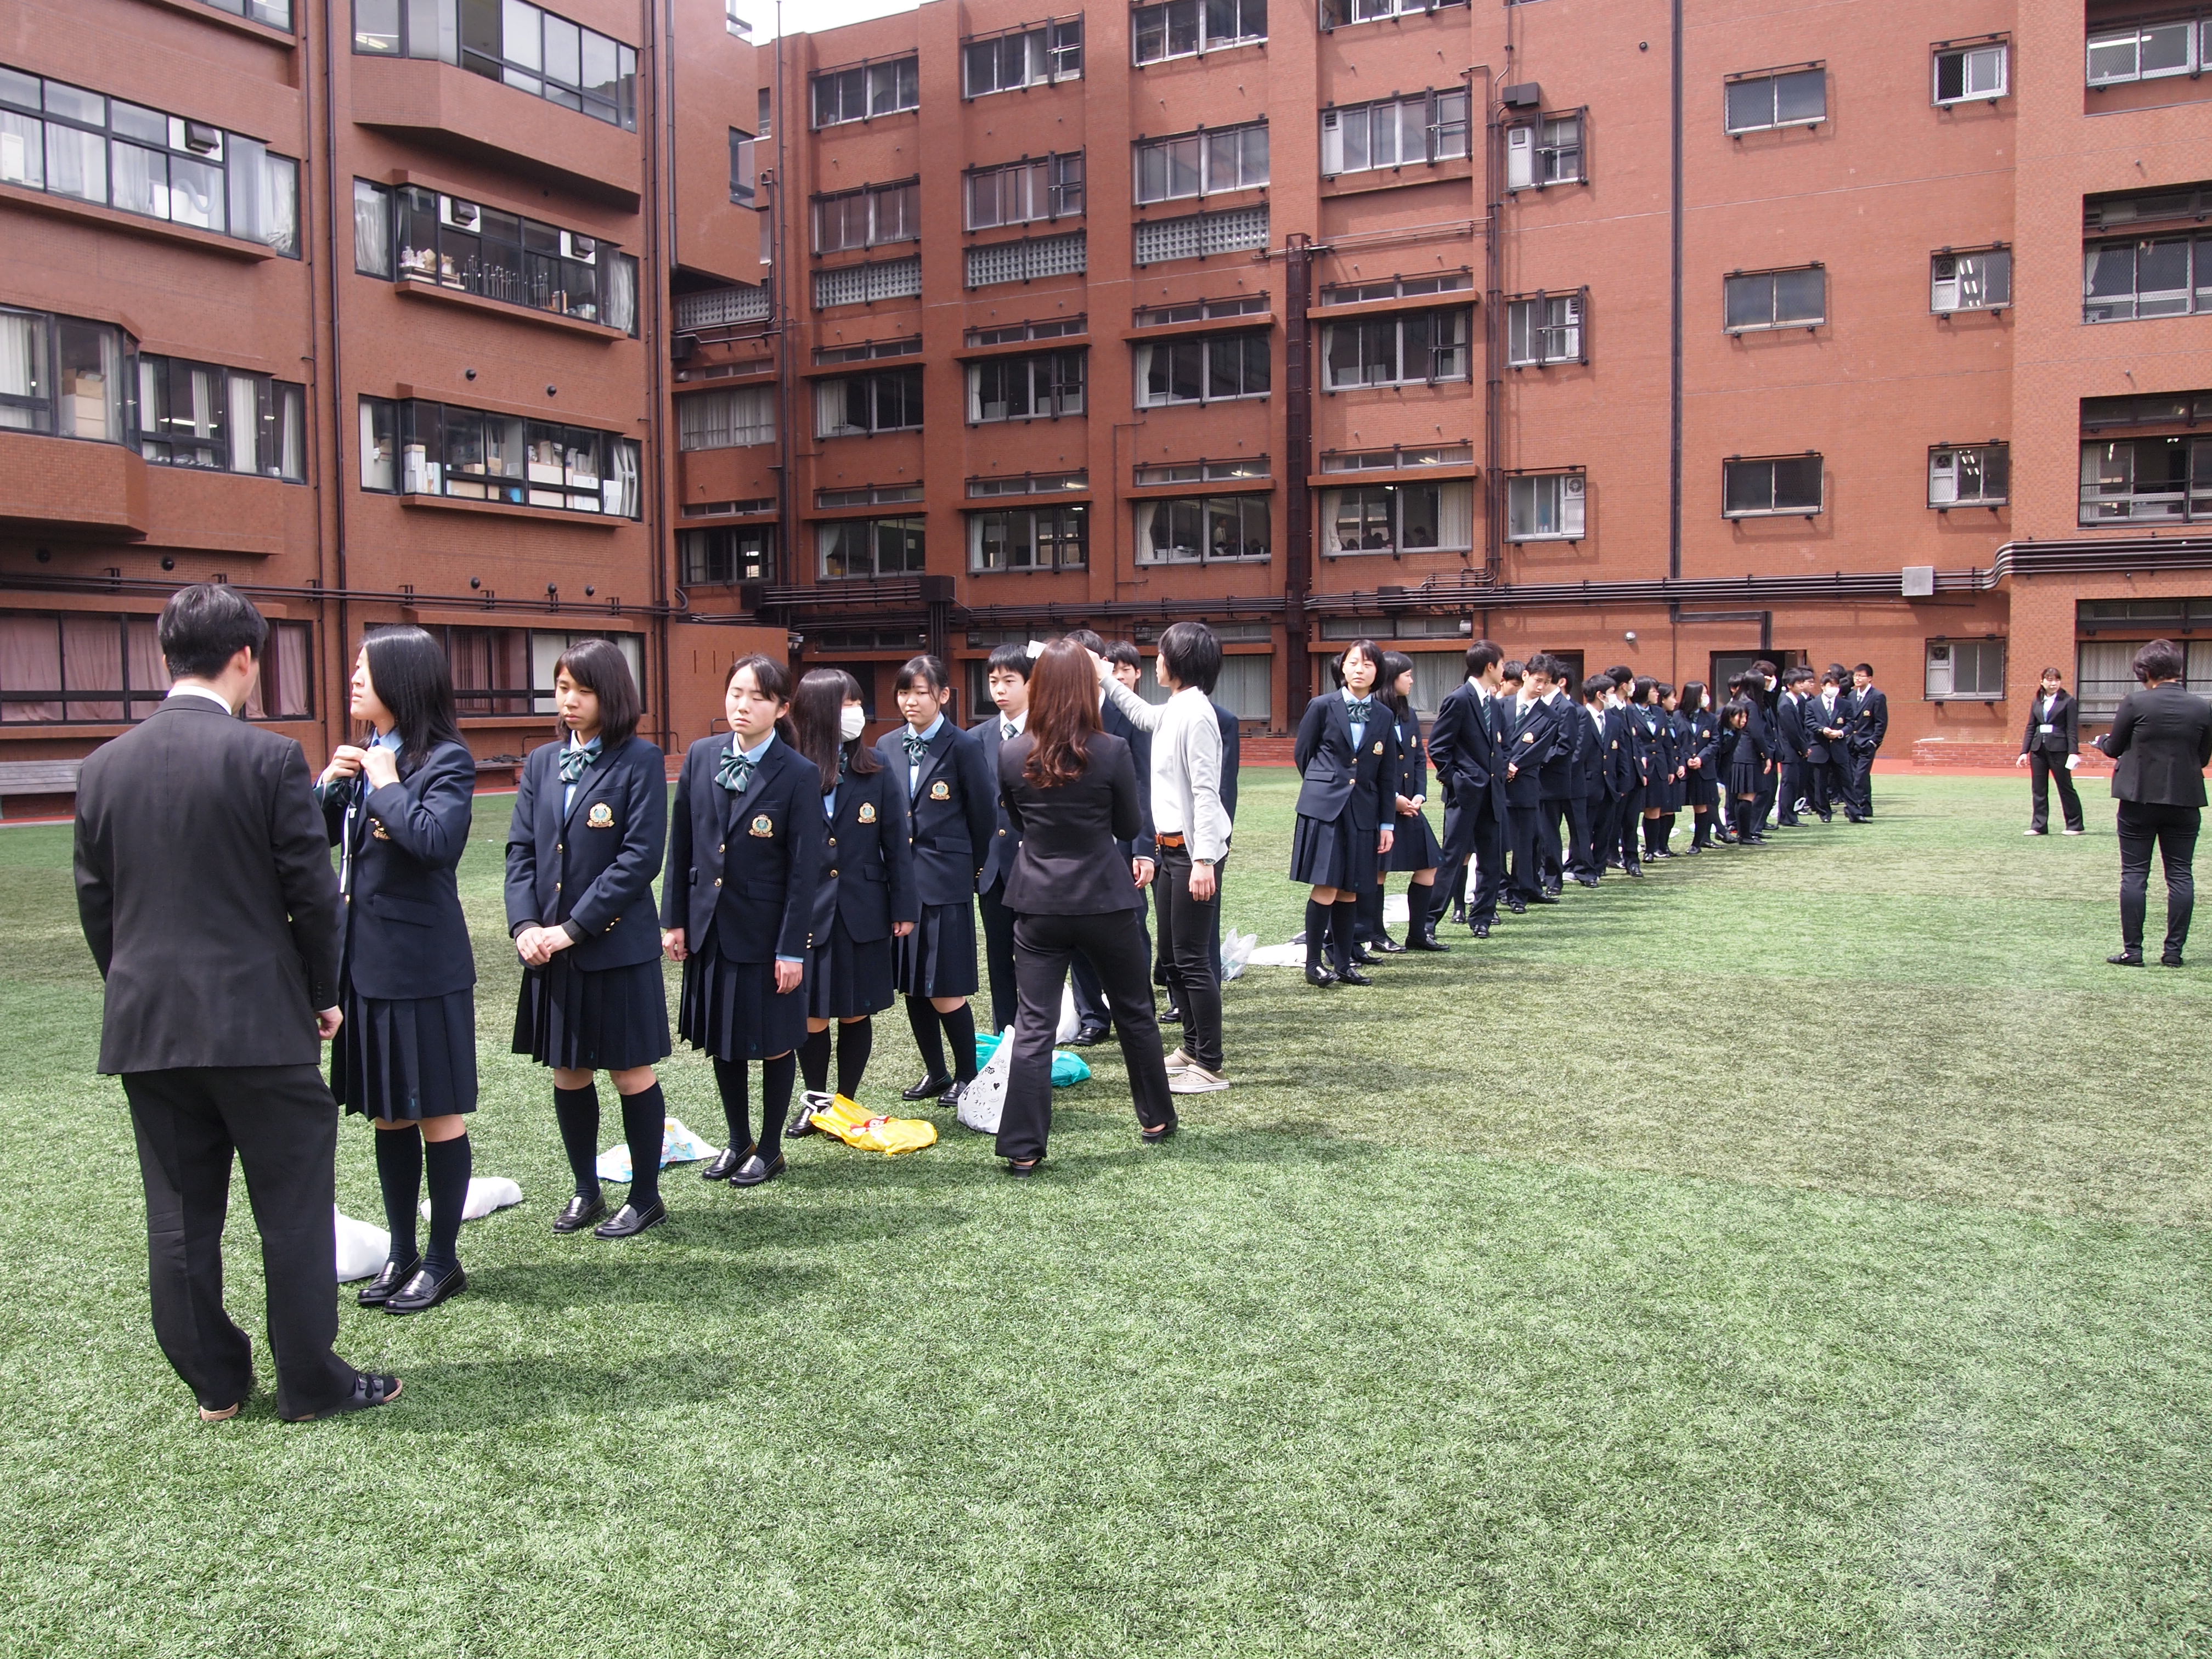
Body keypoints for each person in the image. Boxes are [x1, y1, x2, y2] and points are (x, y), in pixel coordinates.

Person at [74, 583, 397, 1422]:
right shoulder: (268, 759)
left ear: (166, 656)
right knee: (289, 1208)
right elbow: (310, 896)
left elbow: (97, 904)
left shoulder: (103, 766)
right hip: (258, 1020)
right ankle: (311, 1383)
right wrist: (322, 997)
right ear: (245, 657)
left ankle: (217, 1383)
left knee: (180, 1216)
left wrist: (138, 987)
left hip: (149, 1026)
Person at [314, 627, 477, 1316]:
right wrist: (330, 787)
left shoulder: (446, 760)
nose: (353, 678)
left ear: (402, 681)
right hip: (364, 967)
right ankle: (402, 1251)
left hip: (422, 968)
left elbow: (436, 845)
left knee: (436, 1113)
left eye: (365, 669)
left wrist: (383, 787)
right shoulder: (363, 758)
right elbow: (321, 845)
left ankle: (443, 1260)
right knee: (387, 1115)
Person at [506, 639, 671, 1239]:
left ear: (611, 694)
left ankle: (646, 1196)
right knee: (567, 1071)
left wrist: (572, 929)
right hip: (551, 950)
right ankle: (586, 1189)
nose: (569, 701)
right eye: (562, 689)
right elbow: (520, 851)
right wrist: (525, 926)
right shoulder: (544, 762)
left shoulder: (640, 761)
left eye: (582, 689)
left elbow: (638, 860)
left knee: (631, 1073)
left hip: (612, 948)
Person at [994, 641, 1177, 1171]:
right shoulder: (1112, 749)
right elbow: (1128, 826)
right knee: (1134, 1010)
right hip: (1104, 898)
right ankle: (1156, 1117)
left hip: (1038, 900)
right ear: (1088, 687)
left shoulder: (1011, 752)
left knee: (1034, 1024)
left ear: (1037, 686)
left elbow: (1020, 822)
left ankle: (1023, 1149)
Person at [664, 656, 825, 1189]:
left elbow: (805, 871)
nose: (742, 705)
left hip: (767, 933)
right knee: (724, 1039)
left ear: (781, 709)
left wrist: (793, 949)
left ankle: (773, 1147)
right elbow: (681, 841)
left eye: (757, 697)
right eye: (736, 692)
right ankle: (739, 1140)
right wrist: (675, 920)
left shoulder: (798, 773)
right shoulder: (702, 755)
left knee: (776, 1040)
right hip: (710, 927)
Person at [1097, 622, 1235, 1091]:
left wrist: (1204, 861)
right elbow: (1140, 715)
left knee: (1194, 959)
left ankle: (1210, 1064)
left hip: (1194, 854)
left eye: (1161, 654)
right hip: (1172, 849)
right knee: (1176, 955)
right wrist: (1103, 676)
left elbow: (1205, 790)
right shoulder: (1178, 706)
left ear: (1179, 661)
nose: (1155, 661)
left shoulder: (1197, 714)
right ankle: (1192, 1047)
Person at [789, 668, 916, 1118]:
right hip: (806, 912)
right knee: (812, 1013)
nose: (856, 713)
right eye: (846, 704)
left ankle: (846, 1100)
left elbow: (896, 844)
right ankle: (817, 1100)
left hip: (863, 909)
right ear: (819, 710)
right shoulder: (791, 768)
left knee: (856, 1011)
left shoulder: (876, 768)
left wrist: (904, 907)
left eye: (857, 703)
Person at [878, 656, 994, 1108]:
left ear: (944, 696)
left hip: (945, 882)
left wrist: (968, 871)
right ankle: (936, 1071)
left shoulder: (962, 746)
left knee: (945, 986)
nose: (911, 701)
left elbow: (983, 818)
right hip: (899, 887)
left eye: (921, 692)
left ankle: (968, 1073)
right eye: (904, 692)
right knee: (912, 984)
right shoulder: (885, 745)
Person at [2094, 639, 2212, 967]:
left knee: (2134, 875)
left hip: (2138, 798)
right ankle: (2173, 952)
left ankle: (2134, 951)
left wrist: (2102, 741)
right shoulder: (2202, 707)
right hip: (2185, 800)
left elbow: (2115, 747)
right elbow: (2203, 757)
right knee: (2180, 875)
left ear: (2145, 672)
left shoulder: (2135, 703)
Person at [1064, 633, 1157, 1043]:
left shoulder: (1127, 710)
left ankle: (1135, 1011)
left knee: (1130, 928)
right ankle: (1093, 1018)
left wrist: (1143, 847)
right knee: (1077, 931)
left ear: (1101, 663)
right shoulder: (1057, 711)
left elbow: (1143, 783)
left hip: (1121, 839)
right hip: (1073, 843)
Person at [1291, 640, 1398, 984]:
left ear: (1377, 672)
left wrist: (1387, 824)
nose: (1360, 670)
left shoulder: (1384, 714)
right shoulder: (1322, 706)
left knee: (1352, 888)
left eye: (1368, 665)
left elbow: (1387, 775)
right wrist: (1327, 787)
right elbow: (1303, 755)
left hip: (1363, 812)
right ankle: (1312, 964)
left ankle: (1342, 962)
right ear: (1342, 667)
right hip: (1325, 811)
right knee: (1326, 885)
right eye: (1354, 663)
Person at [972, 643, 1032, 1034]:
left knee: (1037, 957)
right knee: (998, 956)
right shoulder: (975, 737)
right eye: (994, 681)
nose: (1000, 690)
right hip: (992, 868)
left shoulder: (1048, 733)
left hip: (1035, 866)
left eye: (1009, 681)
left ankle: (1036, 1033)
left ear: (1030, 683)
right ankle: (1004, 1034)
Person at [1429, 641, 1507, 937]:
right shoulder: (1460, 699)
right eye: (1501, 665)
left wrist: (1502, 767)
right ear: (1490, 666)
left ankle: (1482, 917)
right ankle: (1429, 921)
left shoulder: (1493, 703)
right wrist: (1456, 779)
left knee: (1490, 858)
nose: (1503, 670)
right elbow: (1438, 746)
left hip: (1493, 792)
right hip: (1466, 793)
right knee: (1451, 857)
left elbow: (1500, 744)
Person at [1376, 651, 1447, 949]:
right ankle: (1375, 933)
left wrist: (1418, 795)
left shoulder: (1409, 713)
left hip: (1411, 807)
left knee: (1429, 864)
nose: (1412, 680)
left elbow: (1419, 758)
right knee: (1378, 872)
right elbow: (1372, 766)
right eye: (1407, 675)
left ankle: (1418, 933)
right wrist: (1394, 799)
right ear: (1392, 678)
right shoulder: (1376, 712)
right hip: (1383, 807)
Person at [1502, 659, 1565, 912]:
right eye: (1538, 680)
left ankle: (1519, 892)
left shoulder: (1550, 715)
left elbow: (1539, 750)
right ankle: (1498, 888)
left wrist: (1514, 765)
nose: (1541, 686)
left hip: (1525, 782)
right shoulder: (1500, 706)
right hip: (1496, 781)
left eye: (1546, 682)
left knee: (1524, 842)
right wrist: (1502, 765)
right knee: (1495, 842)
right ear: (1526, 675)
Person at [2017, 667, 2085, 836]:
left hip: (2060, 749)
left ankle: (2074, 825)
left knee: (2065, 787)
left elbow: (2072, 729)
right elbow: (2031, 727)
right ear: (2042, 682)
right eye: (2049, 680)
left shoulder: (2068, 701)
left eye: (2056, 680)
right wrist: (2024, 751)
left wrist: (2073, 752)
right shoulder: (2037, 701)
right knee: (2039, 789)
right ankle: (2039, 825)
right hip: (2038, 749)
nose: (2053, 683)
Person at [1719, 697, 1768, 846]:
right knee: (1746, 796)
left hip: (1740, 759)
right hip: (1746, 759)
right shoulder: (1725, 727)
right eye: (1742, 716)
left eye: (1747, 716)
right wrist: (1766, 756)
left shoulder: (1737, 731)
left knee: (1743, 797)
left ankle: (1742, 833)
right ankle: (1744, 834)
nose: (1745, 720)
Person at [1680, 681, 1720, 851]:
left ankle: (1698, 843)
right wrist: (1687, 758)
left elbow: (1715, 742)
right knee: (1669, 808)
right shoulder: (1677, 717)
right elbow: (1675, 742)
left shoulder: (1711, 718)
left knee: (1702, 805)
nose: (1706, 697)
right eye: (1702, 694)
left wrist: (1701, 759)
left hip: (1704, 769)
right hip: (1683, 768)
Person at [1846, 663, 1887, 821]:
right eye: (1856, 676)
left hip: (1867, 743)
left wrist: (1874, 742)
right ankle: (1864, 807)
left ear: (1870, 678)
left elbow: (1881, 722)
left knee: (1860, 777)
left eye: (1861, 676)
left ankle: (1855, 808)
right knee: (1855, 777)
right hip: (1852, 742)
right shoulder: (1851, 696)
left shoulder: (1877, 696)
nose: (1857, 679)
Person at [1808, 671, 1850, 822]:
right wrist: (1822, 729)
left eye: (1836, 685)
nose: (1834, 688)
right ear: (1823, 687)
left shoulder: (1845, 704)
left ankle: (1853, 811)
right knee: (1821, 783)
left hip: (1839, 748)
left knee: (1847, 781)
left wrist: (1841, 732)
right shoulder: (1812, 704)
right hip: (1820, 748)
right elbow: (1809, 722)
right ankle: (1824, 813)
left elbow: (1851, 723)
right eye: (1830, 685)